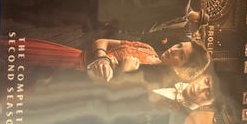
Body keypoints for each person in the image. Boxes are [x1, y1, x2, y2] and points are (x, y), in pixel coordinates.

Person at [12, 36, 210, 84]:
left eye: (181, 55)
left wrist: (124, 72)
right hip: (74, 55)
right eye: (179, 46)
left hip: (75, 82)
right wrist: (103, 59)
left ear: (183, 67)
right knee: (17, 51)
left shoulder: (154, 82)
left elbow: (111, 100)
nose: (174, 50)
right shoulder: (148, 49)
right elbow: (102, 41)